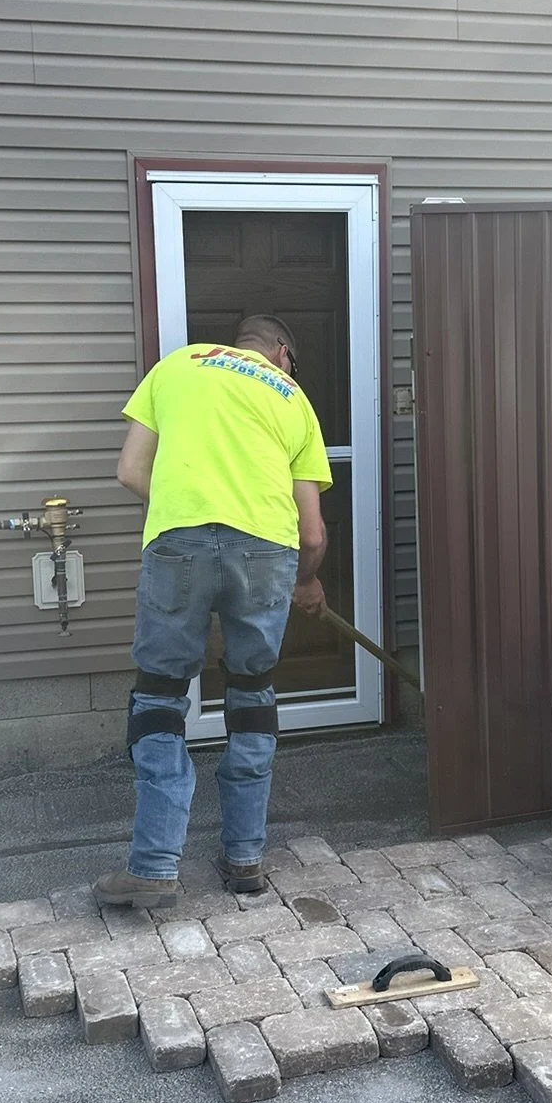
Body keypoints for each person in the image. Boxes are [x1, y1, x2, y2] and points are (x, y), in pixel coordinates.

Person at [93, 314, 330, 906]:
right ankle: (245, 858)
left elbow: (129, 471)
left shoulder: (176, 365)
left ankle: (153, 867)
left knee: (159, 697)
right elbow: (312, 533)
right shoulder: (291, 396)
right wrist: (307, 581)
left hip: (180, 544)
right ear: (281, 352)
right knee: (252, 696)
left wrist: (187, 507)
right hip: (266, 551)